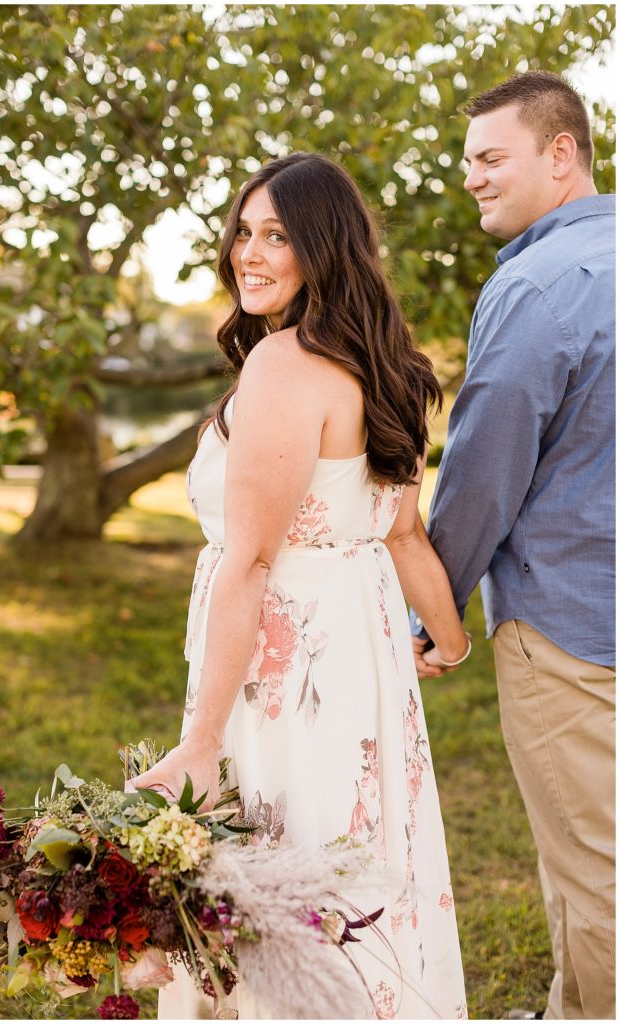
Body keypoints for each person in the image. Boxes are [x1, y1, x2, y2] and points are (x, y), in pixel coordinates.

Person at [127, 152, 469, 1019]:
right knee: (349, 854)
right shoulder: (388, 363)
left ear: (324, 246)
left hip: (286, 672)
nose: (250, 251)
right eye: (244, 231)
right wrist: (450, 636)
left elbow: (250, 561)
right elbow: (400, 531)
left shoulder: (283, 364)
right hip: (364, 663)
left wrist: (201, 742)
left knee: (282, 857)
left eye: (277, 235)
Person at [412, 71, 615, 1020]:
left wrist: (431, 604)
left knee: (597, 867)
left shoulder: (539, 283)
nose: (473, 179)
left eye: (492, 158)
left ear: (562, 154)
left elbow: (485, 465)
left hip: (570, 630)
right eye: (467, 163)